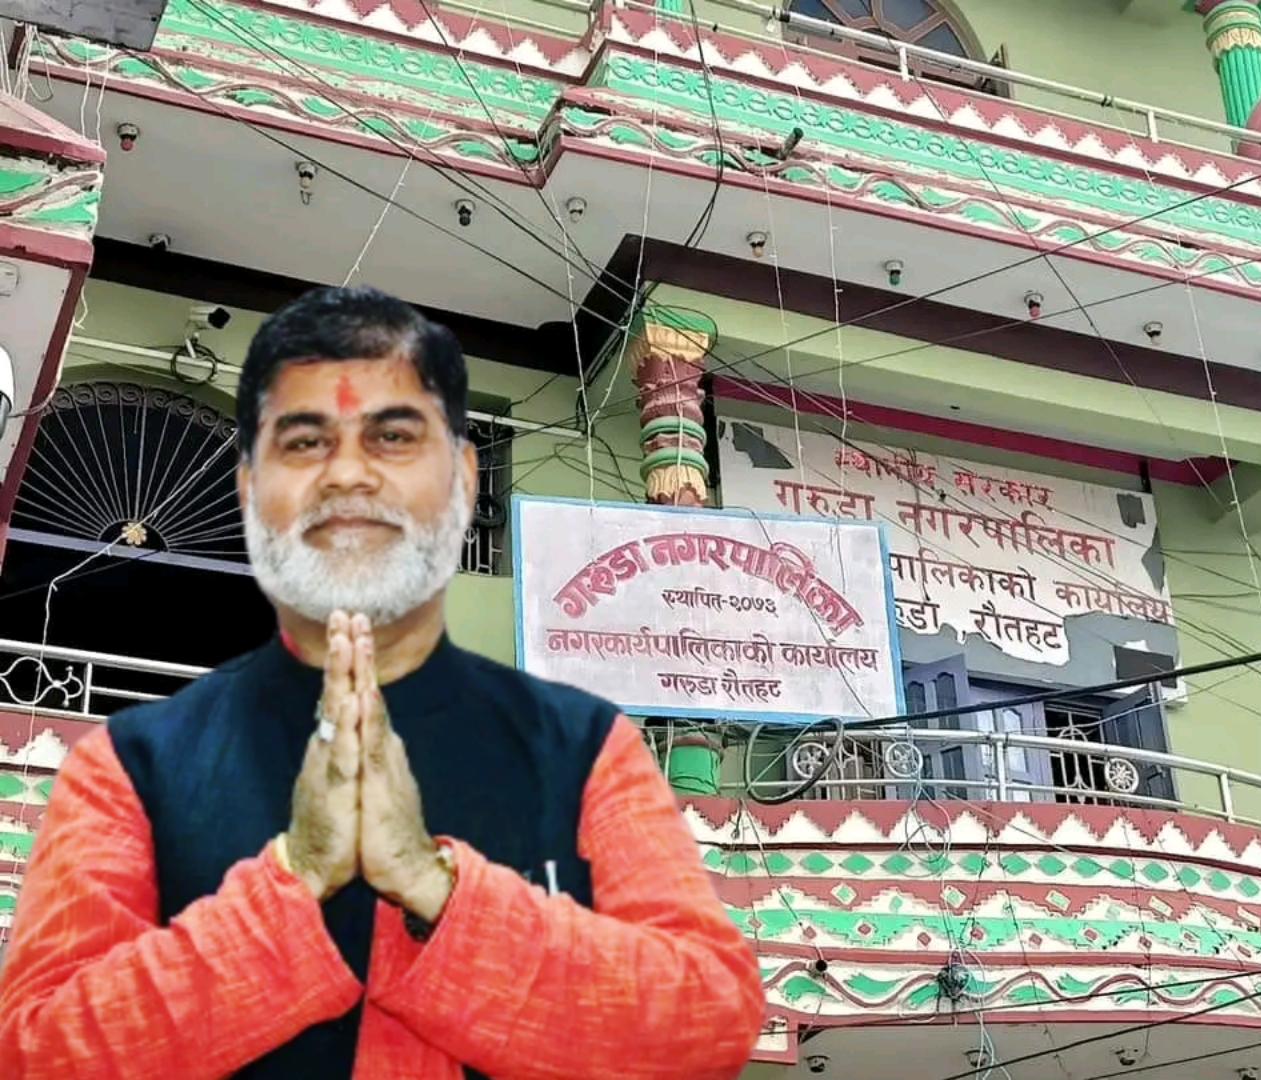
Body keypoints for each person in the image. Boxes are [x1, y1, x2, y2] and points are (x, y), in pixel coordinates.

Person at [0, 286, 766, 1079]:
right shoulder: (129, 769)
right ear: (250, 490)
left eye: (394, 438)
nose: (348, 476)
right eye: (304, 442)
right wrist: (296, 875)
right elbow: (37, 1056)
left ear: (462, 481)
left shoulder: (583, 752)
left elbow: (705, 1025)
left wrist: (432, 884)